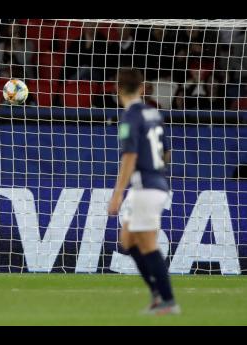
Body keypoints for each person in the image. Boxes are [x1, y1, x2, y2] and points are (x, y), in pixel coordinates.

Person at [107, 68, 180, 315]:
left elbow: (129, 156)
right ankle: (159, 293)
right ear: (142, 88)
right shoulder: (153, 113)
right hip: (153, 184)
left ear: (117, 90)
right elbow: (166, 152)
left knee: (147, 245)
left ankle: (167, 299)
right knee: (127, 241)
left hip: (145, 188)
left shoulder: (129, 118)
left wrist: (117, 193)